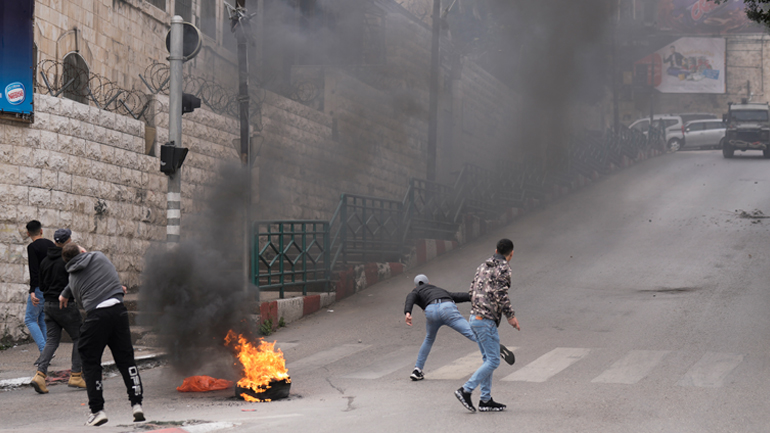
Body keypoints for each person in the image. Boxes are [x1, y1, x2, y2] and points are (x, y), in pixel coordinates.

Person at [60, 243, 145, 426]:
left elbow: (82, 301)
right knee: (126, 359)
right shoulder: (98, 256)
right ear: (82, 251)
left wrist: (65, 293)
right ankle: (137, 404)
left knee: (90, 362)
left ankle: (97, 410)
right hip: (119, 311)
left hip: (97, 316)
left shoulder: (73, 279)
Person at [404, 274, 515, 381]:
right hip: (447, 308)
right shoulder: (438, 290)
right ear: (429, 283)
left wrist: (408, 312)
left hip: (431, 312)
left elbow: (410, 297)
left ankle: (417, 370)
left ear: (415, 286)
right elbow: (459, 296)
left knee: (429, 339)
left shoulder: (416, 291)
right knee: (472, 333)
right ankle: (494, 346)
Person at [455, 238, 520, 413]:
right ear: (511, 253)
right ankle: (466, 390)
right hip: (485, 320)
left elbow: (471, 290)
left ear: (496, 249)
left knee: (488, 360)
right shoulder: (504, 268)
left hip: (474, 318)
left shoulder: (482, 266)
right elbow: (501, 294)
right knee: (493, 360)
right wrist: (511, 316)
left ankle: (485, 400)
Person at [29, 228, 86, 394]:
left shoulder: (45, 261)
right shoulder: (67, 259)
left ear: (55, 241)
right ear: (68, 241)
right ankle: (76, 375)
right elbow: (77, 277)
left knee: (52, 341)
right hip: (65, 304)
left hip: (48, 305)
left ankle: (40, 375)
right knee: (79, 337)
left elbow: (42, 285)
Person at [25, 220, 53, 363]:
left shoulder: (32, 247)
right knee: (42, 319)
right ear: (41, 231)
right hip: (51, 289)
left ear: (28, 233)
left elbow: (34, 271)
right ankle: (47, 351)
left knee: (29, 319)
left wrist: (32, 290)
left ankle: (44, 351)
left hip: (39, 288)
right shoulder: (51, 244)